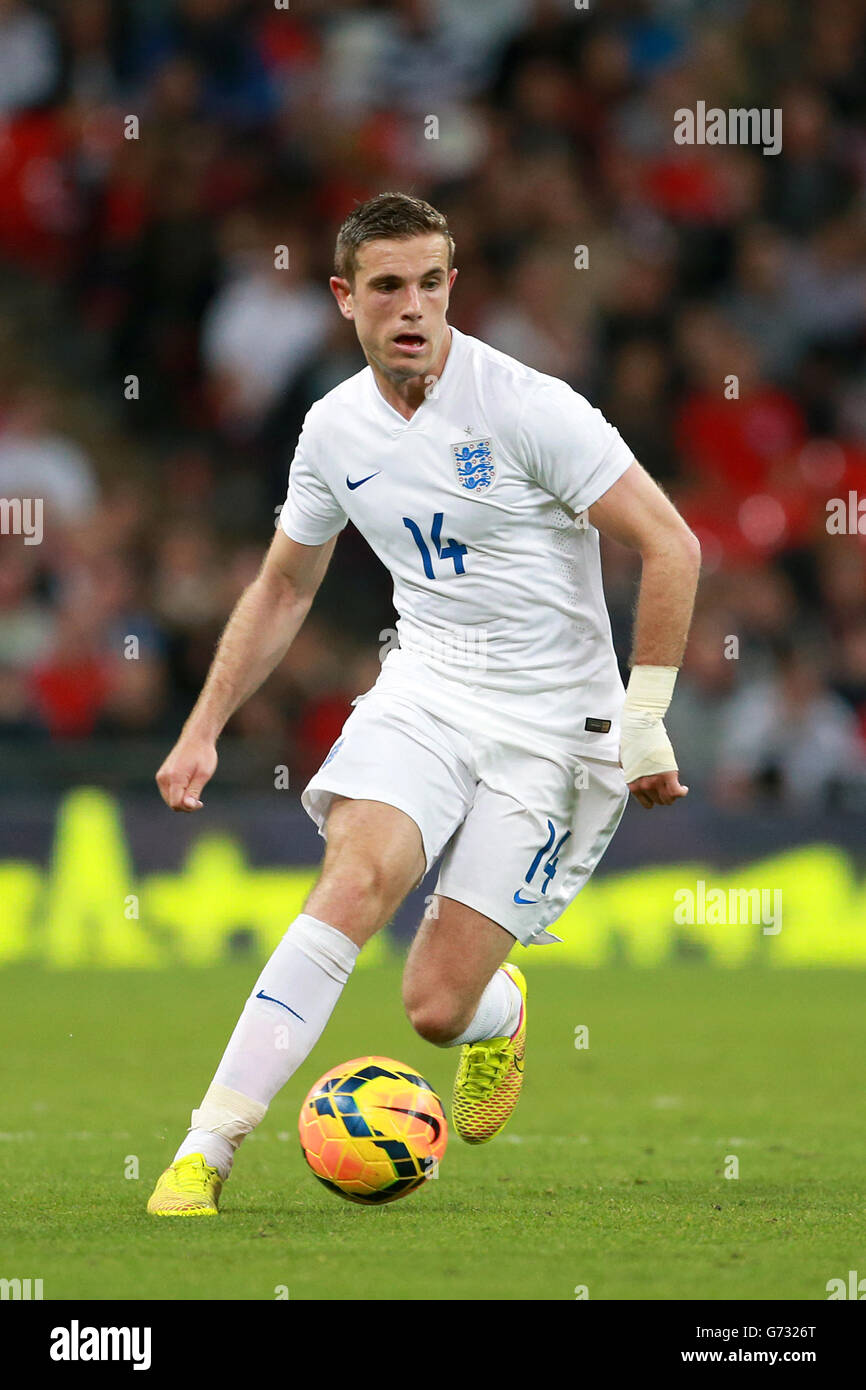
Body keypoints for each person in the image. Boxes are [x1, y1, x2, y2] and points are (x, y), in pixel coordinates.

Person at [147, 192, 701, 1216]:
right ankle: (205, 1149)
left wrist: (641, 719)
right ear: (343, 298)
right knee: (353, 882)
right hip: (427, 691)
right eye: (388, 286)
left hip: (550, 732)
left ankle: (498, 1012)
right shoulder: (330, 429)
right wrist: (203, 725)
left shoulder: (528, 407)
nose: (413, 307)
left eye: (431, 283)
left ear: (452, 286)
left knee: (434, 1007)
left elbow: (670, 544)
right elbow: (282, 584)